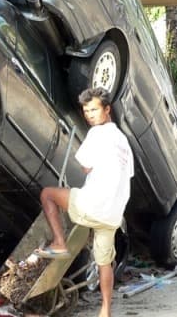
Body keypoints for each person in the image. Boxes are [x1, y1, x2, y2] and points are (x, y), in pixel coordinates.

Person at [38, 87, 134, 317]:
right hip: (113, 214)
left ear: (107, 109)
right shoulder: (123, 141)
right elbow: (127, 174)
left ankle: (59, 242)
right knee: (104, 263)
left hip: (93, 205)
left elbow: (85, 166)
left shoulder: (96, 133)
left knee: (47, 194)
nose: (90, 115)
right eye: (86, 111)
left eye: (94, 110)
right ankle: (105, 310)